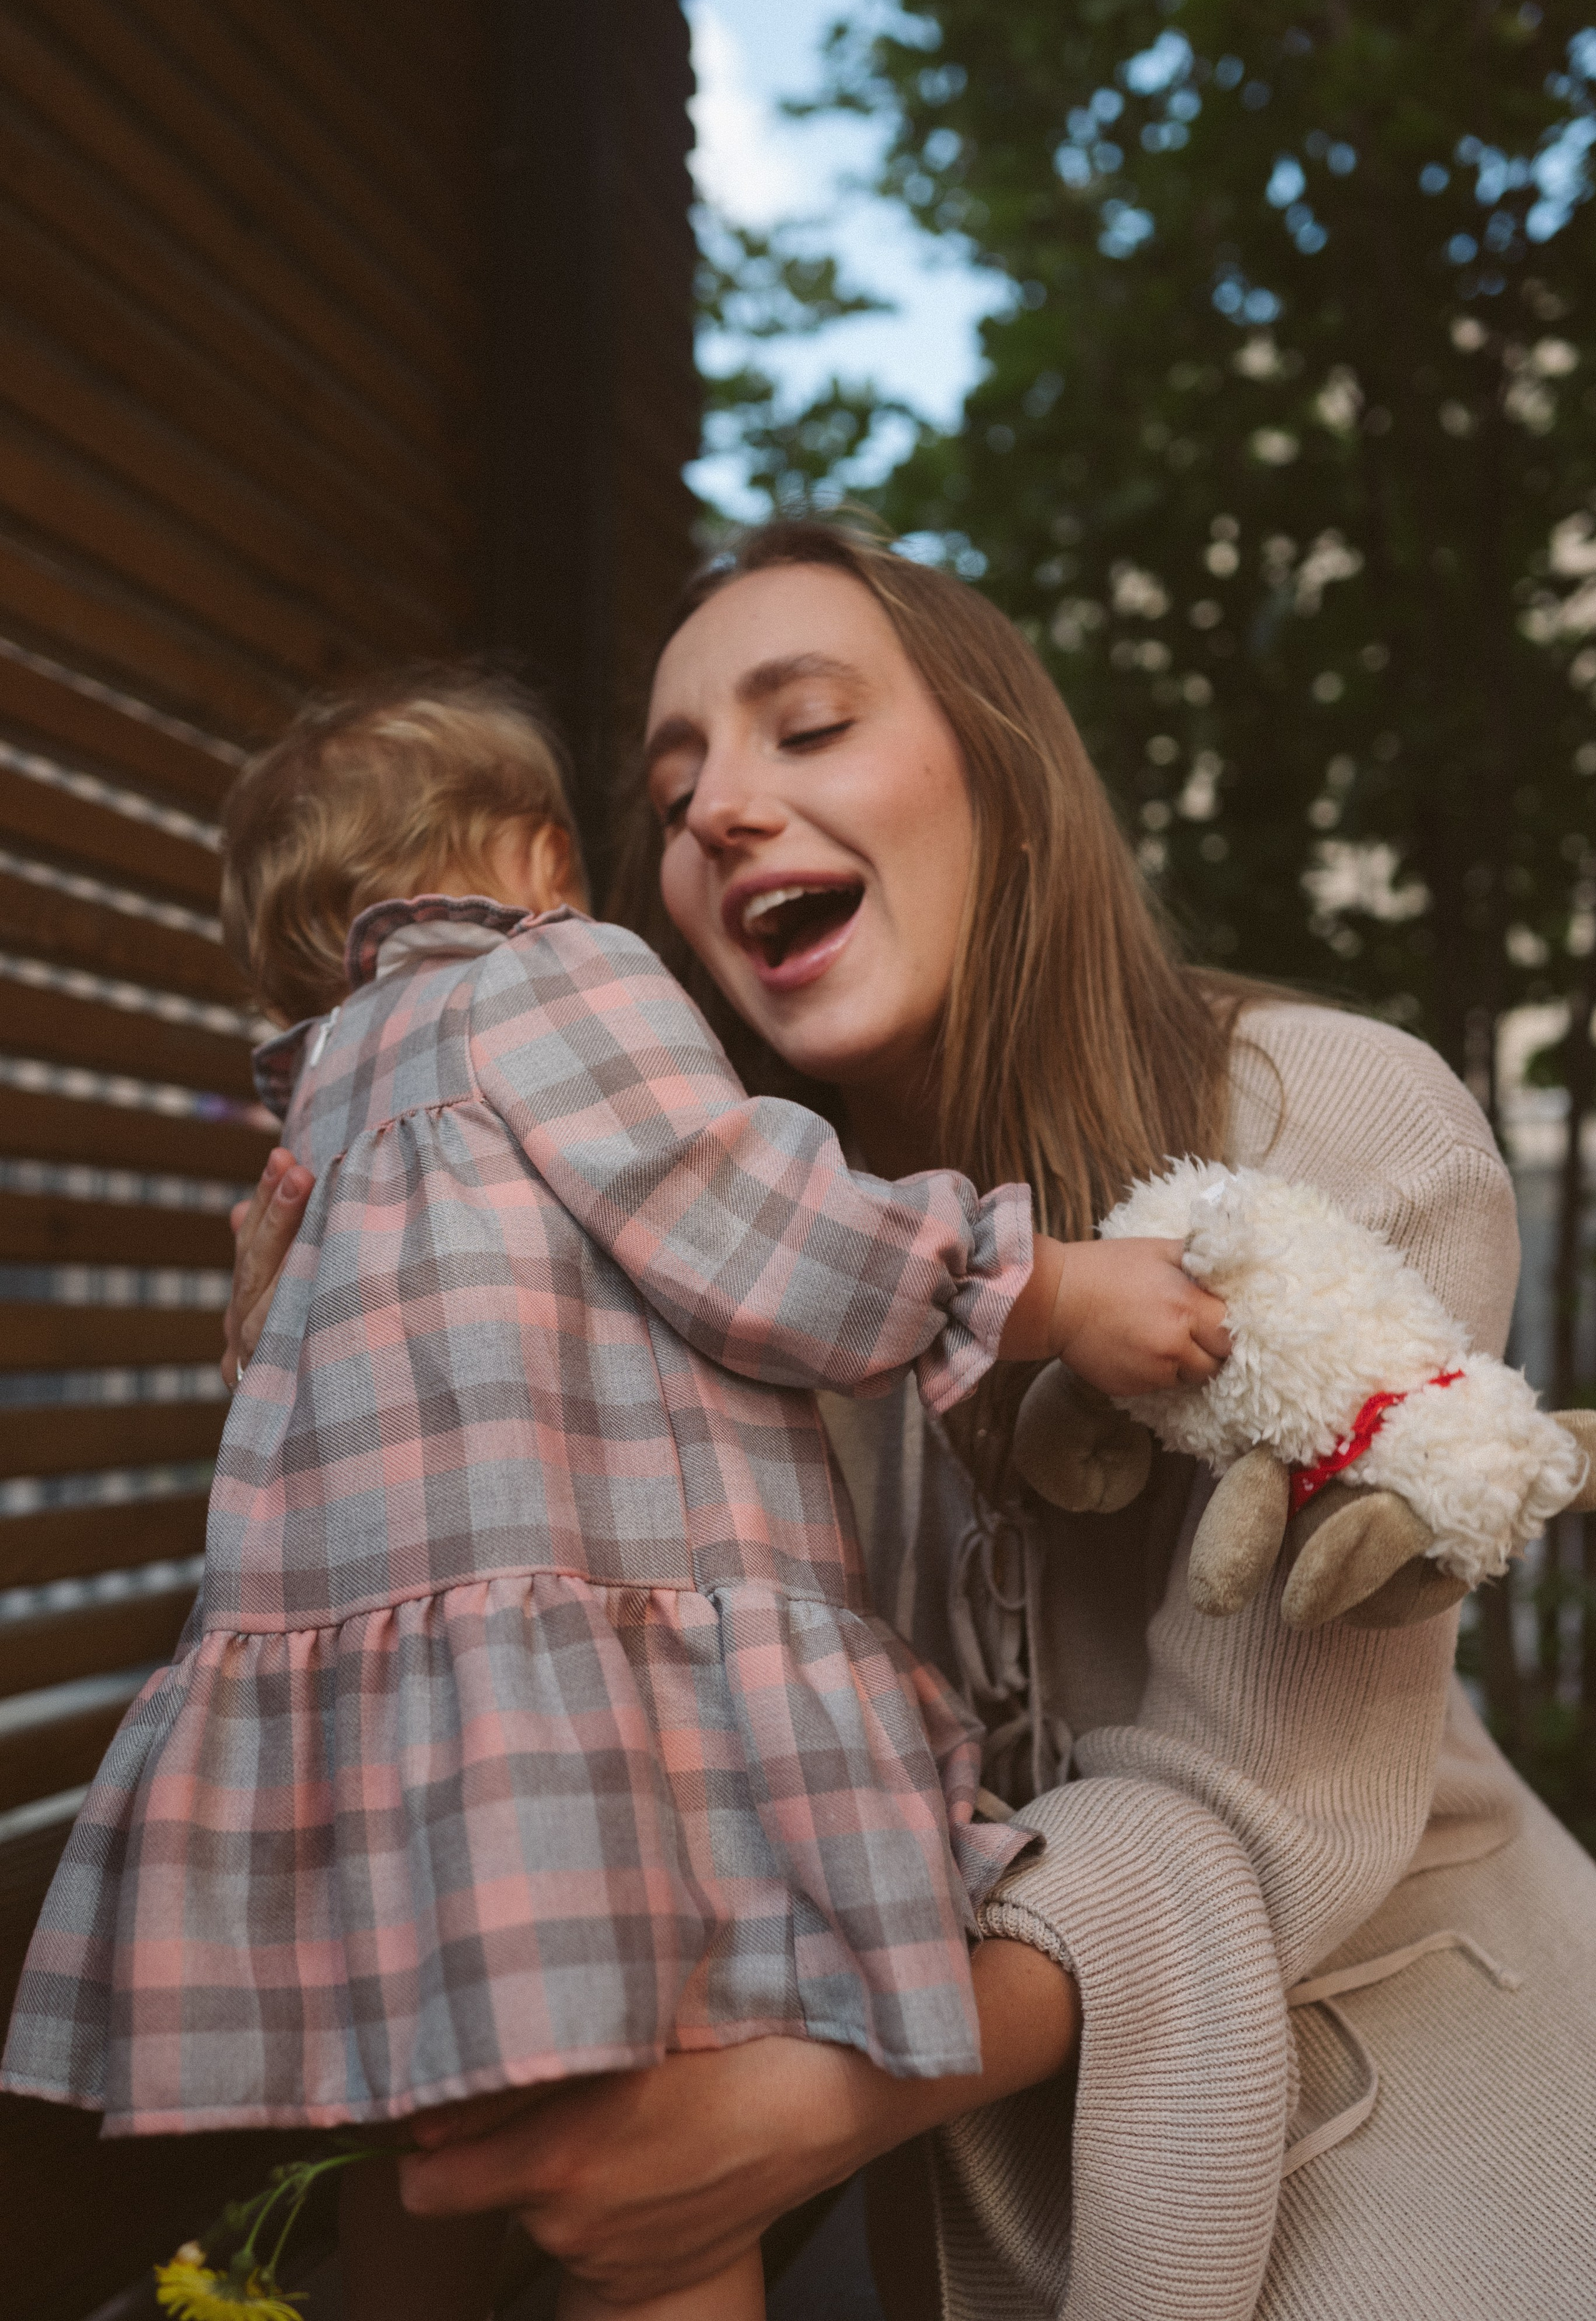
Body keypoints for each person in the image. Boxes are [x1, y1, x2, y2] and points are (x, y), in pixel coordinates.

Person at [213, 531, 1596, 2321]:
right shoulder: (680, 1272)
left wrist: (805, 2108)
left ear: (1004, 779)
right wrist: (325, 1367)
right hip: (963, 2182)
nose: (720, 807)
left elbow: (1259, 1822)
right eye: (674, 793)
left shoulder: (1329, 1120)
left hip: (1416, 2104)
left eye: (807, 725)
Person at [0, 665, 1232, 2321]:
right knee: (674, 2156)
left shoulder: (324, 1123)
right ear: (536, 860)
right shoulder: (552, 973)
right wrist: (1046, 1285)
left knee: (431, 2142)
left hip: (403, 1757)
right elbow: (737, 1211)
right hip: (595, 1734)